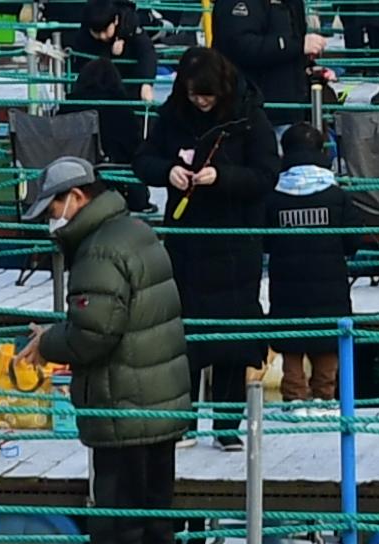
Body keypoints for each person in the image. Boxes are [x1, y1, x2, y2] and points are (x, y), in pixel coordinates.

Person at [22, 154, 193, 544]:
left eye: (53, 206)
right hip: (159, 399)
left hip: (123, 402)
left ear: (76, 198)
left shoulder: (97, 250)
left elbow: (96, 333)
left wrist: (49, 343)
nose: (52, 219)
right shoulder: (135, 230)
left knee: (117, 521)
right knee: (155, 514)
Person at [138, 47, 277, 448]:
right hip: (187, 239)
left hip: (236, 239)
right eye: (195, 94)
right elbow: (143, 159)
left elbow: (267, 174)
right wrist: (168, 171)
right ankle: (182, 421)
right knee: (183, 334)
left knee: (234, 336)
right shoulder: (172, 114)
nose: (200, 102)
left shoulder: (250, 117)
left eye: (208, 96)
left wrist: (223, 177)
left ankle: (227, 426)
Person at [265, 125, 354, 400]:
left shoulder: (273, 195)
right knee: (328, 341)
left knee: (291, 341)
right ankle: (325, 397)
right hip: (330, 284)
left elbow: (265, 242)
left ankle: (293, 396)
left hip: (286, 284)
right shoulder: (337, 195)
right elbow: (352, 243)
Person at [69, 0, 161, 160]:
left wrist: (146, 84)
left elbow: (147, 53)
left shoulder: (130, 22)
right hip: (98, 92)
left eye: (106, 31)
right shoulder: (86, 31)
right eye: (96, 33)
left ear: (116, 21)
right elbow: (83, 64)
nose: (102, 36)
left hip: (129, 89)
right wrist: (108, 53)